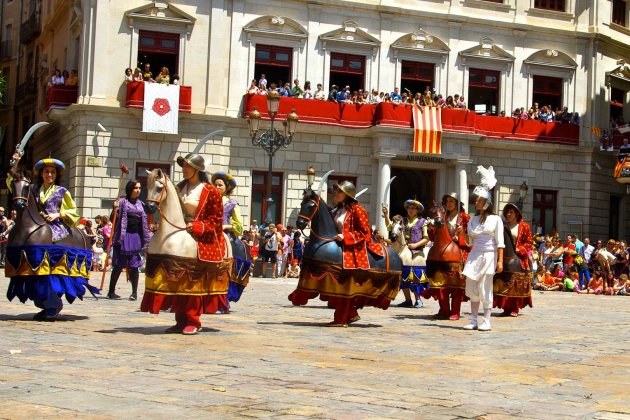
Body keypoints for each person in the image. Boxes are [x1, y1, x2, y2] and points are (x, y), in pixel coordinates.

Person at [140, 153, 227, 335]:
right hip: (180, 231)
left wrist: (197, 226)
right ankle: (180, 320)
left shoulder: (210, 191)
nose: (184, 169)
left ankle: (193, 320)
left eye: (188, 166)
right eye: (184, 166)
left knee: (192, 280)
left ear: (197, 169)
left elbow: (215, 219)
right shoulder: (179, 187)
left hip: (203, 236)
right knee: (178, 281)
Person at [6, 157, 95, 320]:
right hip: (35, 223)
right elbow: (13, 182)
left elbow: (72, 211)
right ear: (41, 174)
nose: (49, 174)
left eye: (52, 172)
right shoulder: (33, 189)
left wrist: (58, 214)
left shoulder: (62, 191)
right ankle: (45, 299)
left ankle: (52, 301)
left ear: (56, 175)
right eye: (46, 171)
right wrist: (15, 163)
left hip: (56, 226)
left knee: (50, 262)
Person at [462, 166, 504, 331]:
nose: (476, 202)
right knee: (472, 286)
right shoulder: (472, 220)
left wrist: (500, 261)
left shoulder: (495, 219)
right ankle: (473, 320)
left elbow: (500, 242)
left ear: (486, 202)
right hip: (475, 255)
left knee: (485, 287)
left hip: (489, 255)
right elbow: (469, 242)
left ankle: (486, 320)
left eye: (479, 200)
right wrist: (461, 232)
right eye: (476, 200)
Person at [423, 193, 470, 320]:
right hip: (443, 251)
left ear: (457, 203)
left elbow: (469, 234)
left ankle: (455, 311)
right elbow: (435, 237)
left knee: (457, 283)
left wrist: (460, 236)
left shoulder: (464, 217)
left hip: (459, 248)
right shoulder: (442, 217)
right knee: (440, 282)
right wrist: (431, 229)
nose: (449, 204)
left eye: (451, 201)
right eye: (447, 201)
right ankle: (444, 310)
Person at [107, 180, 152, 301]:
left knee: (134, 266)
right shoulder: (122, 202)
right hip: (123, 236)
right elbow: (113, 219)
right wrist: (115, 209)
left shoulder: (141, 204)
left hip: (135, 237)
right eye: (136, 188)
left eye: (139, 188)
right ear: (130, 189)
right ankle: (111, 291)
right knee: (118, 265)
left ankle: (134, 293)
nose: (138, 190)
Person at [383, 199, 429, 308]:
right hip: (402, 249)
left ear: (417, 210)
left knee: (415, 277)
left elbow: (426, 238)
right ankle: (408, 300)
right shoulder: (402, 221)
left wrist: (416, 245)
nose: (410, 210)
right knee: (402, 276)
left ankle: (418, 300)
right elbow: (390, 227)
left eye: (413, 208)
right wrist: (386, 215)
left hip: (416, 251)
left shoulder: (422, 221)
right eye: (409, 208)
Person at [493, 203, 533, 317]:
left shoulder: (524, 226)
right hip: (504, 255)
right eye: (507, 212)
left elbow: (529, 242)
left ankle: (515, 307)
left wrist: (520, 249)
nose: (509, 214)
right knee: (503, 282)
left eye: (511, 212)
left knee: (516, 283)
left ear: (517, 214)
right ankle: (506, 307)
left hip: (519, 257)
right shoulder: (503, 225)